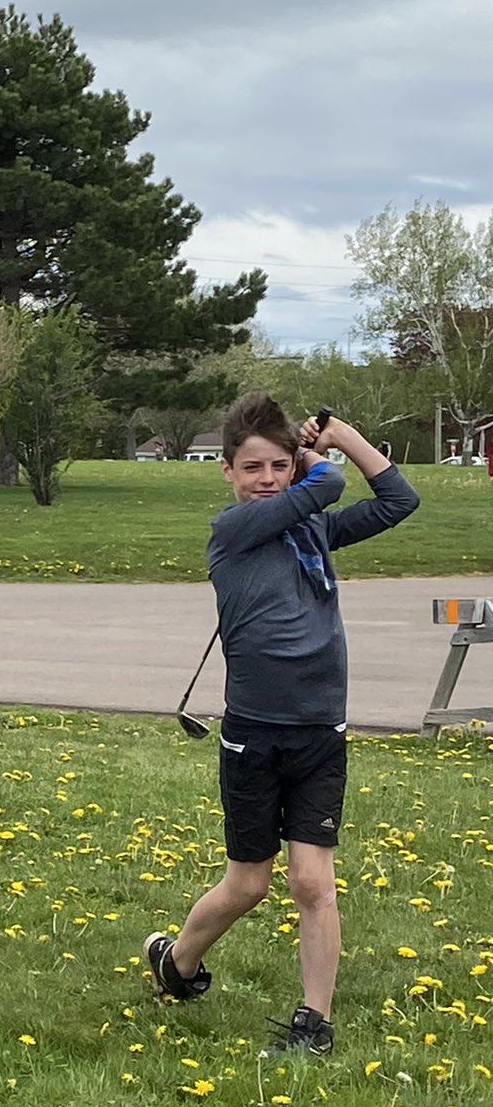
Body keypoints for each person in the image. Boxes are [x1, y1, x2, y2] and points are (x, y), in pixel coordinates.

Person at [145, 393, 419, 1053]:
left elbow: (398, 500)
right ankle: (176, 962)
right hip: (254, 734)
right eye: (252, 467)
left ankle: (313, 1023)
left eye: (277, 465)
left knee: (311, 883)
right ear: (228, 473)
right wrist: (310, 455)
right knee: (249, 883)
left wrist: (343, 433)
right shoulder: (232, 533)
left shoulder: (313, 530)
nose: (267, 479)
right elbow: (325, 484)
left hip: (320, 729)